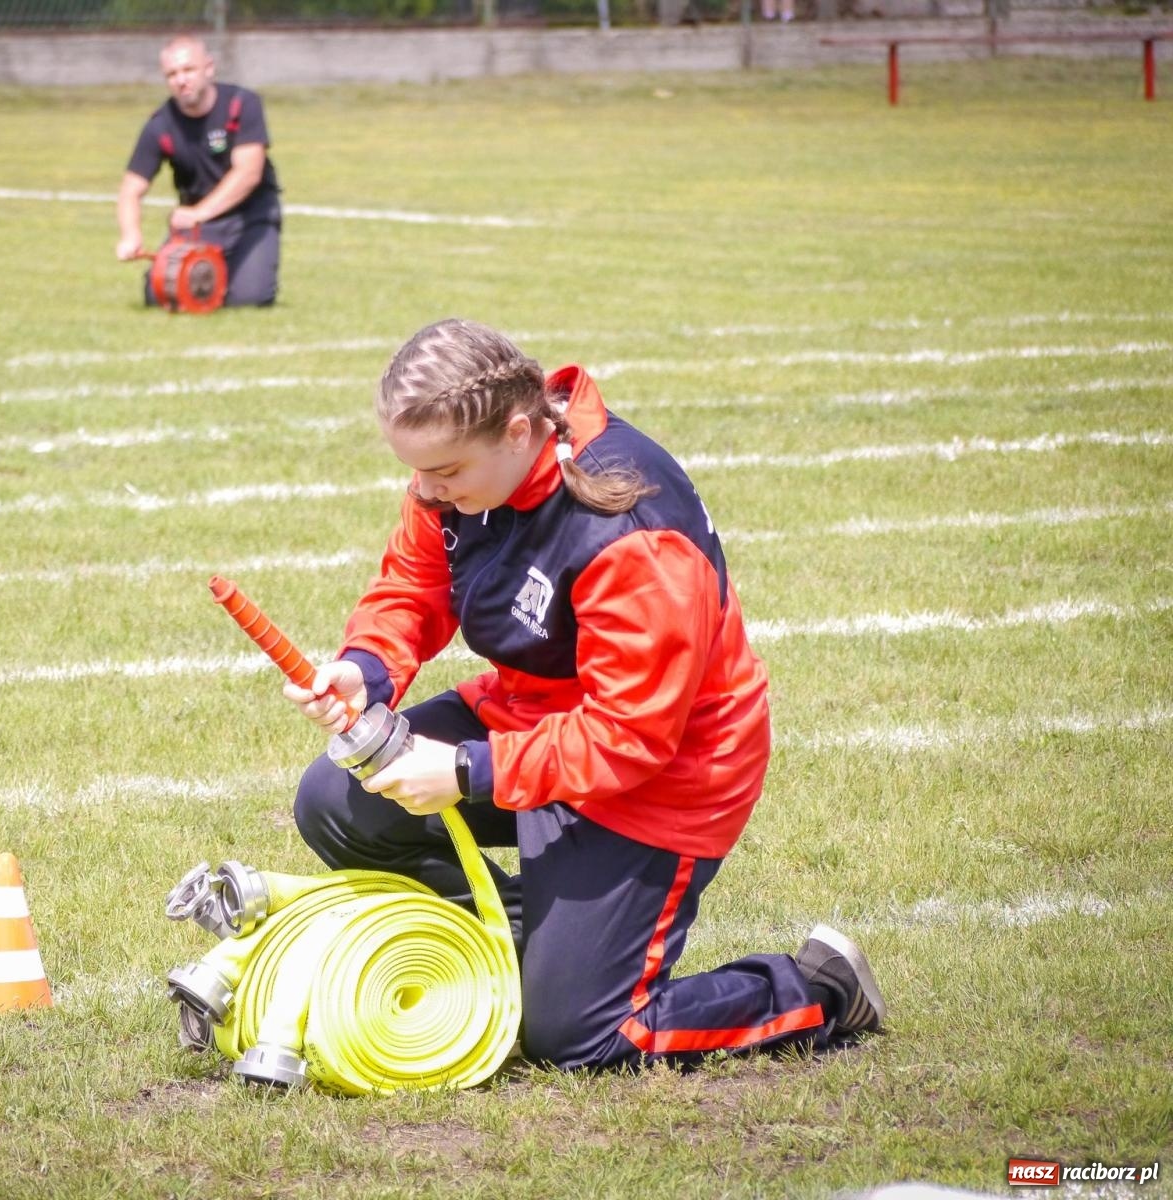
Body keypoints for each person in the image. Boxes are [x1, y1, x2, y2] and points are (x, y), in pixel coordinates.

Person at [285, 318, 886, 1071]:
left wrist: (470, 770)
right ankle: (530, 950)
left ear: (516, 430)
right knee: (336, 801)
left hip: (664, 777)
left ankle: (815, 990)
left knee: (578, 1038)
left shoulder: (629, 528)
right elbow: (414, 582)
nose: (427, 491)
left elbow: (631, 734)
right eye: (419, 474)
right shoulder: (462, 481)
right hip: (531, 722)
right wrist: (364, 667)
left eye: (444, 472)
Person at [116, 35, 283, 308]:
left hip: (251, 215)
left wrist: (199, 213)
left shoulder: (241, 104)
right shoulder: (160, 125)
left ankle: (243, 271)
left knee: (249, 299)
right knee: (159, 295)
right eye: (172, 74)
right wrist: (130, 234)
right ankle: (215, 270)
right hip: (198, 226)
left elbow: (249, 173)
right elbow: (130, 189)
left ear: (209, 68)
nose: (181, 80)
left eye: (188, 70)